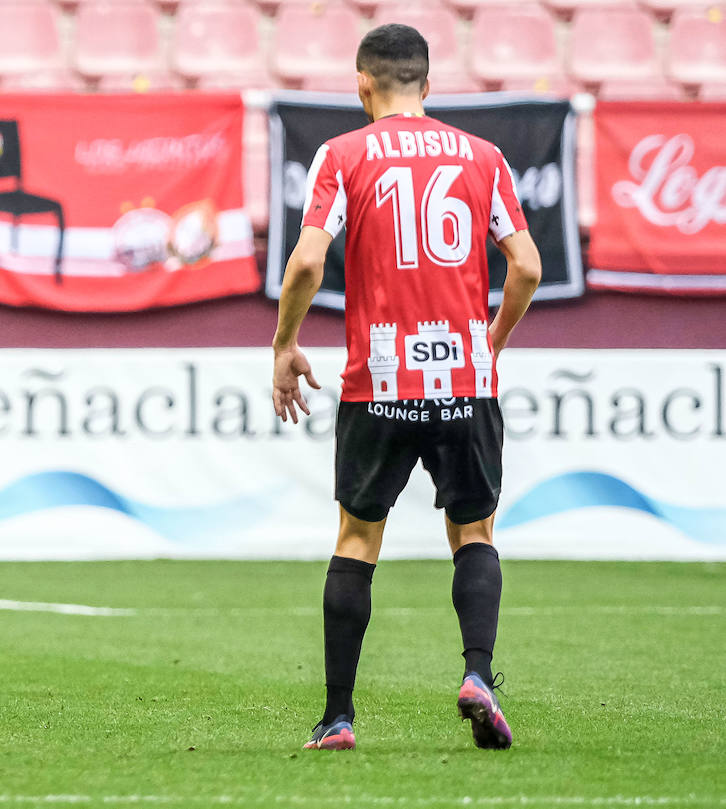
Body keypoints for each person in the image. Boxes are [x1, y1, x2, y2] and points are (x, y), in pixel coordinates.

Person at [271, 25, 542, 751]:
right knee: (475, 532)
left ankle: (338, 717)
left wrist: (285, 344)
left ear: (363, 83)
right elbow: (527, 267)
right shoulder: (483, 157)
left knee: (358, 539)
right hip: (463, 373)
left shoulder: (343, 154)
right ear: (429, 84)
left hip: (379, 376)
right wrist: (491, 342)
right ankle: (478, 674)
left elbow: (304, 266)